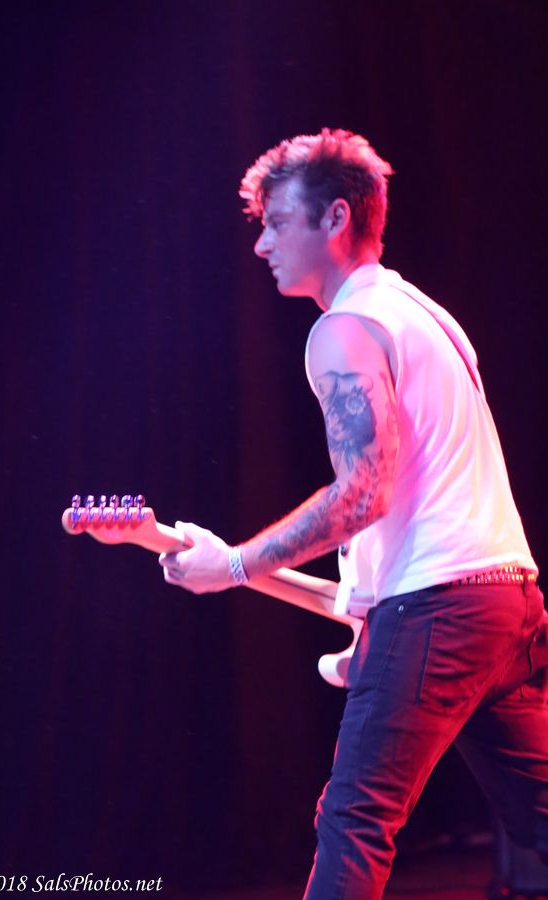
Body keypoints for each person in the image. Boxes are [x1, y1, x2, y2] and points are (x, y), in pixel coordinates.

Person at [158, 128, 548, 899]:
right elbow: (397, 538)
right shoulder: (424, 314)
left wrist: (234, 564)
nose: (262, 244)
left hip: (442, 610)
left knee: (354, 825)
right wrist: (233, 564)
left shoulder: (343, 330)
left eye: (277, 222)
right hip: (508, 604)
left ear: (336, 217)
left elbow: (363, 494)